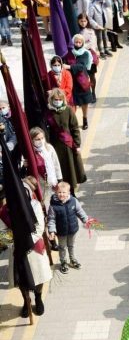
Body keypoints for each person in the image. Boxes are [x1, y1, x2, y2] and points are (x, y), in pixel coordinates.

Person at [14, 177, 52, 318]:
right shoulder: (8, 209)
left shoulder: (35, 206)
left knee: (39, 275)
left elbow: (39, 228)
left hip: (33, 246)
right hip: (17, 248)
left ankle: (38, 297)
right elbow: (3, 230)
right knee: (20, 278)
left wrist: (26, 241)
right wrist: (12, 241)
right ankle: (26, 301)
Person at [46, 88, 86, 196]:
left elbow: (75, 128)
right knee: (59, 171)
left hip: (68, 146)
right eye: (55, 99)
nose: (57, 101)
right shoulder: (48, 113)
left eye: (59, 99)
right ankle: (61, 193)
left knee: (70, 171)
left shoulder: (68, 110)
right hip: (55, 147)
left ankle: (72, 193)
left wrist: (77, 144)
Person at [47, 181, 88, 274]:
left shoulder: (73, 201)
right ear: (56, 192)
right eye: (59, 192)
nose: (61, 194)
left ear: (68, 193)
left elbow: (80, 211)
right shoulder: (53, 206)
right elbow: (51, 220)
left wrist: (85, 220)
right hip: (61, 231)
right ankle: (63, 262)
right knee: (62, 247)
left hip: (72, 229)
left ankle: (72, 260)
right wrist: (52, 231)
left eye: (64, 192)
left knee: (71, 245)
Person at [28, 127, 62, 209]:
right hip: (40, 184)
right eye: (37, 139)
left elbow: (56, 164)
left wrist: (59, 178)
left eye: (42, 138)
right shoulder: (30, 152)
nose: (41, 140)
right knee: (45, 205)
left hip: (52, 182)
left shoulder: (49, 148)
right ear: (32, 140)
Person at [67, 34, 94, 130]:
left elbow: (81, 66)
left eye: (80, 42)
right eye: (76, 42)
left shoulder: (85, 53)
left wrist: (69, 67)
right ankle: (73, 123)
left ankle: (85, 119)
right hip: (71, 81)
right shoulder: (69, 53)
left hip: (82, 82)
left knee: (84, 103)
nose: (78, 44)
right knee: (72, 103)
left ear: (82, 43)